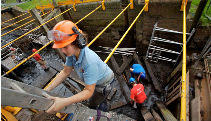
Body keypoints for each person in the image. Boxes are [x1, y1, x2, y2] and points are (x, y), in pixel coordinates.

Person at [45, 20, 122, 113]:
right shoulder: (72, 53)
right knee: (91, 94)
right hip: (95, 78)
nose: (63, 51)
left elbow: (89, 91)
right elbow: (65, 71)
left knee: (96, 101)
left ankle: (101, 107)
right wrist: (47, 89)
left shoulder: (89, 62)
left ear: (77, 42)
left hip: (104, 83)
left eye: (65, 47)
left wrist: (64, 102)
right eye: (60, 47)